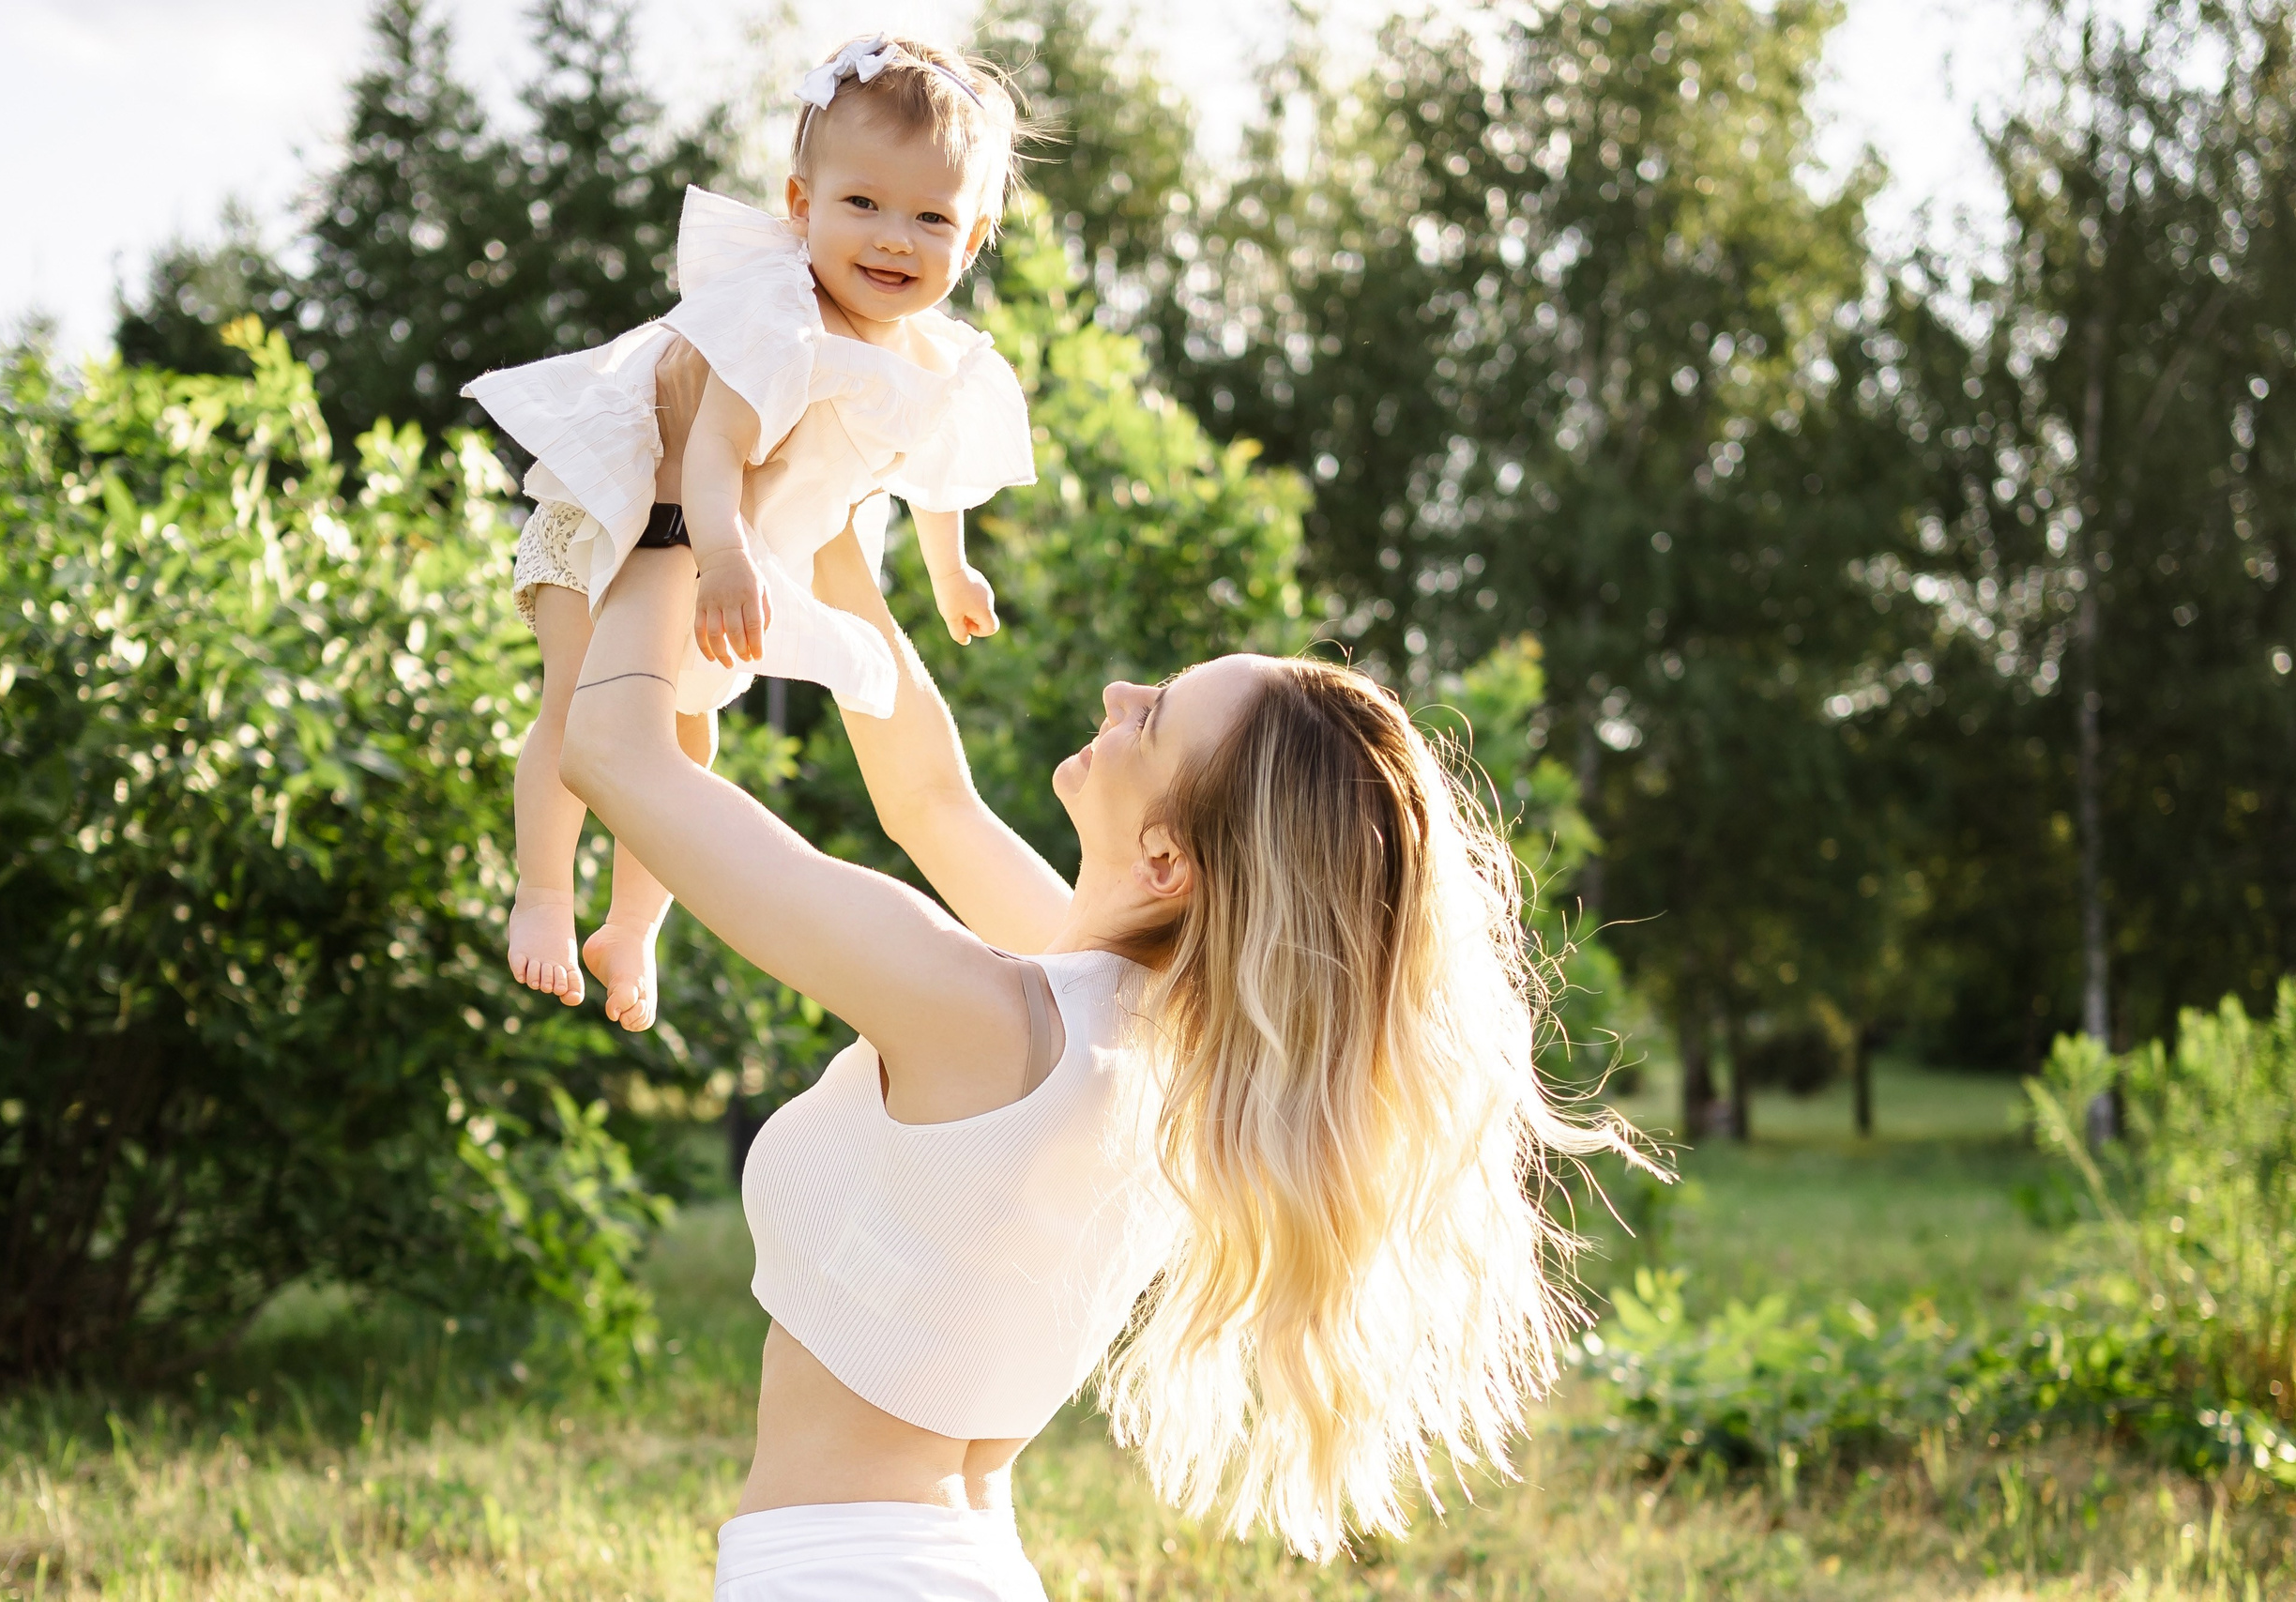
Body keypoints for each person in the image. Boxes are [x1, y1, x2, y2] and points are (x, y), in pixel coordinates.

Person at [555, 401, 1642, 1595]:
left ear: (1168, 861)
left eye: (1156, 713)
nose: (1121, 691)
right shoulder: (1158, 1045)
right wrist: (834, 509)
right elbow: (930, 799)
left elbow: (612, 752)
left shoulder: (982, 1015)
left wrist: (671, 495)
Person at [464, 34, 1035, 1030]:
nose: (895, 238)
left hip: (723, 555)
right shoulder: (778, 313)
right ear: (802, 205)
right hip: (624, 519)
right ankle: (545, 895)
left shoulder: (939, 360)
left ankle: (633, 926)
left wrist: (952, 575)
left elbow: (931, 472)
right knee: (579, 711)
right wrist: (724, 556)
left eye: (931, 217)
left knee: (688, 741)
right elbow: (714, 449)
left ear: (974, 238)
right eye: (863, 204)